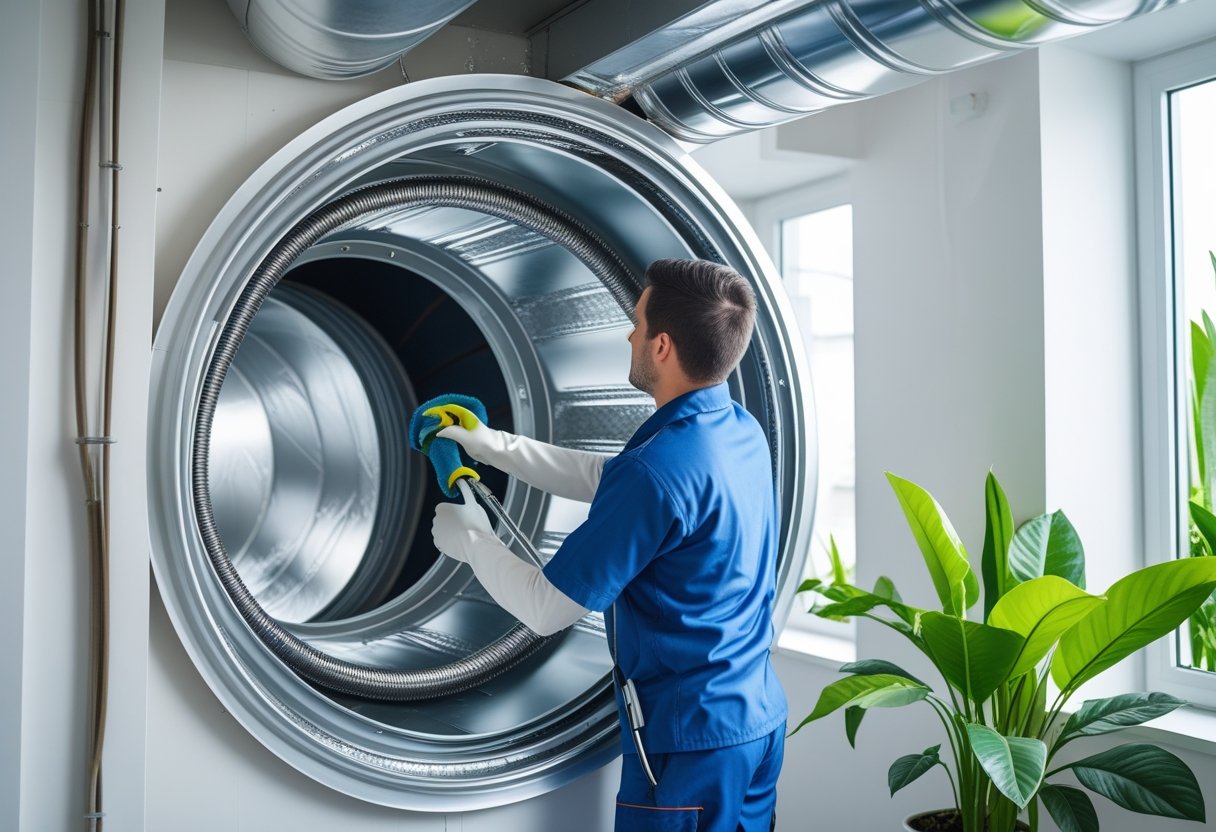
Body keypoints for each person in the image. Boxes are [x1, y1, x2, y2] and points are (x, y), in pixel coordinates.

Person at [431, 258, 786, 831]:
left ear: (663, 347)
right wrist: (494, 446)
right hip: (754, 722)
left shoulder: (657, 471)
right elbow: (619, 478)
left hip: (686, 746)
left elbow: (546, 609)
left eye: (638, 323)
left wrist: (471, 540)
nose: (628, 334)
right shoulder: (737, 430)